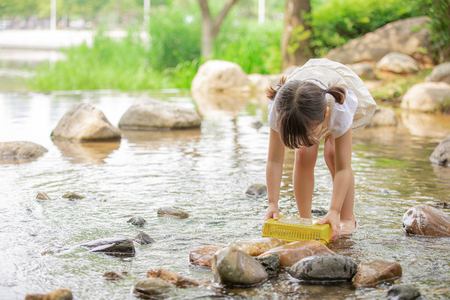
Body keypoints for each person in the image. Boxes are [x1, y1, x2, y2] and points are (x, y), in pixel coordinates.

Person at [263, 58, 377, 241]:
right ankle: (304, 218)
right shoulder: (280, 109)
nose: (306, 140)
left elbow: (344, 168)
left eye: (309, 134)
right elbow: (274, 160)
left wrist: (333, 211)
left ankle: (347, 217)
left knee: (333, 154)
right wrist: (272, 203)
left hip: (333, 87)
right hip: (300, 99)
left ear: (325, 115)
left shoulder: (338, 108)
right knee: (304, 153)